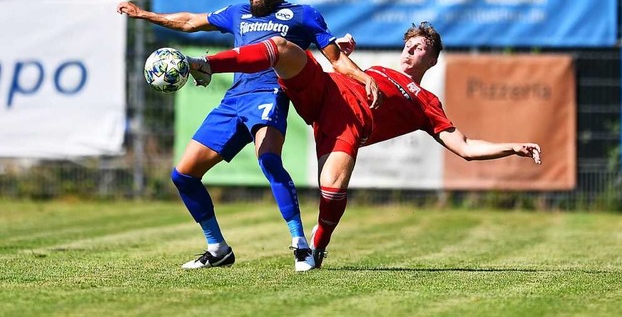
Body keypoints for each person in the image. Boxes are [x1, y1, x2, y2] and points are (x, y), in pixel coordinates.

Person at [185, 21, 542, 269]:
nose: (410, 50)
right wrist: (340, 53)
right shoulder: (379, 70)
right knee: (281, 48)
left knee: (333, 189)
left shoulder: (427, 103)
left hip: (345, 129)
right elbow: (341, 66)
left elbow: (464, 147)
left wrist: (512, 146)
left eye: (419, 48)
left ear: (431, 61)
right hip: (324, 90)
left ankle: (317, 248)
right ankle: (206, 65)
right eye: (408, 44)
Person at [117, 0, 380, 272]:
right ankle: (217, 248)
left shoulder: (303, 16)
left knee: (268, 159)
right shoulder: (236, 14)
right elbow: (189, 21)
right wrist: (143, 14)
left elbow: (336, 59)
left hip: (270, 93)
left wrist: (365, 78)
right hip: (233, 101)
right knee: (183, 175)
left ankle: (301, 247)